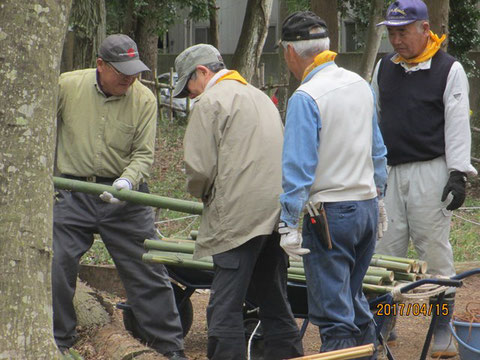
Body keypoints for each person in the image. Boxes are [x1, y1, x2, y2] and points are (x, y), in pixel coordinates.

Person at [53, 34, 188, 360]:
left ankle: (169, 348)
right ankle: (60, 339)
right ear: (100, 65)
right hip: (73, 191)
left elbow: (143, 154)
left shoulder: (144, 99)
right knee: (56, 261)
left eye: (135, 71)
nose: (130, 78)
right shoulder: (66, 87)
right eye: (122, 71)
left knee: (147, 271)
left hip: (125, 198)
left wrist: (126, 181)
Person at [172, 43, 304, 360]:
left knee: (224, 305)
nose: (189, 95)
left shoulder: (210, 102)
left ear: (201, 72)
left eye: (187, 86)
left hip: (237, 215)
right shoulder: (260, 97)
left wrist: (200, 192)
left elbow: (200, 170)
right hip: (276, 213)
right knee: (273, 297)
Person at [278, 11, 388, 358]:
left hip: (329, 216)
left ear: (290, 52)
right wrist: (380, 198)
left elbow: (298, 167)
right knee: (354, 301)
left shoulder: (306, 97)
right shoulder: (359, 83)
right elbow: (378, 149)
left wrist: (287, 222)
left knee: (333, 315)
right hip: (367, 207)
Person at [372, 0, 477, 357]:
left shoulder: (449, 69)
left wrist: (458, 174)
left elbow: (458, 124)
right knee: (385, 251)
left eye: (402, 32)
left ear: (424, 28)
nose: (396, 40)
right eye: (391, 33)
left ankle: (442, 327)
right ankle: (388, 322)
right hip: (389, 171)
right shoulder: (384, 67)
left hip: (431, 170)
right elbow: (374, 118)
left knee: (434, 251)